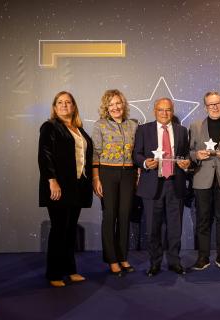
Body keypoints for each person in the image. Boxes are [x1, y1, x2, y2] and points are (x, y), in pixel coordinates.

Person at [38, 91, 93, 287]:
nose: (64, 105)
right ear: (54, 107)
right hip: (59, 187)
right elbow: (45, 156)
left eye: (68, 102)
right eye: (60, 102)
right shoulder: (50, 127)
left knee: (70, 231)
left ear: (74, 106)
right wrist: (52, 180)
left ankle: (70, 270)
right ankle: (54, 274)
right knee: (59, 230)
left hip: (78, 187)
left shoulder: (79, 130)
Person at [133, 98, 191, 276]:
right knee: (152, 228)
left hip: (175, 184)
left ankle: (175, 261)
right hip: (152, 185)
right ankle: (155, 263)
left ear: (172, 111)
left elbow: (186, 154)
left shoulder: (182, 131)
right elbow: (136, 154)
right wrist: (144, 163)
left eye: (168, 110)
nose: (164, 113)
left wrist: (187, 162)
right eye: (160, 110)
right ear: (154, 111)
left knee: (175, 228)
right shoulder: (144, 129)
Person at [189, 91, 220, 271]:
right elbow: (189, 152)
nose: (215, 107)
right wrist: (196, 155)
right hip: (202, 178)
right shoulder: (195, 126)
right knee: (203, 219)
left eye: (218, 103)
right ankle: (203, 257)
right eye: (211, 104)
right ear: (205, 107)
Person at [91, 89, 138, 276]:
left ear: (123, 105)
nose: (115, 107)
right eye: (111, 104)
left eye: (118, 103)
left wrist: (138, 174)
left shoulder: (133, 125)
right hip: (107, 173)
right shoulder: (100, 125)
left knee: (125, 215)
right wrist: (96, 178)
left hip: (128, 174)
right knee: (110, 216)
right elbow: (95, 153)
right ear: (106, 107)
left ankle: (123, 256)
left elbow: (137, 152)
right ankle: (112, 259)